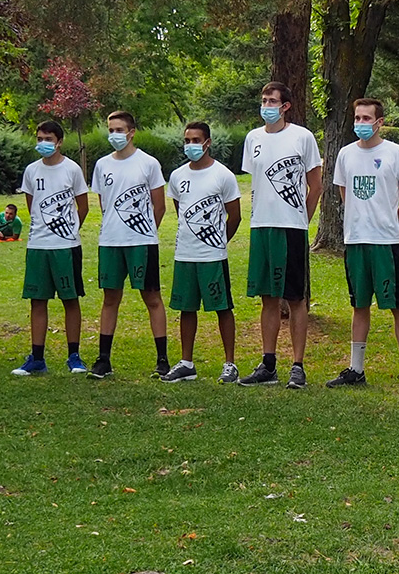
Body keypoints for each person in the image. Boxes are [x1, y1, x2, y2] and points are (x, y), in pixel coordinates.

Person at [326, 99, 399, 388]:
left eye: (367, 118)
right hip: (355, 241)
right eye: (357, 118)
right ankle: (356, 369)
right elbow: (345, 194)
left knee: (397, 304)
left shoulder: (394, 152)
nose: (361, 124)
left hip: (386, 242)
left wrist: (389, 222)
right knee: (360, 304)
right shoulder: (345, 154)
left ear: (379, 122)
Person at [239, 82, 323, 388]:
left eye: (272, 101)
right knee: (268, 298)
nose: (266, 106)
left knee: (295, 298)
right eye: (263, 100)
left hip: (292, 228)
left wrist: (303, 217)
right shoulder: (253, 138)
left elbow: (316, 184)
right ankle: (268, 363)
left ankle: (298, 366)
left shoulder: (302, 137)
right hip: (262, 226)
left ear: (286, 106)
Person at [91, 110, 170, 380]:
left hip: (142, 242)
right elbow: (104, 203)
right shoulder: (102, 165)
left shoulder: (148, 163)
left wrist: (144, 232)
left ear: (132, 132)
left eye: (119, 130)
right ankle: (103, 360)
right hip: (110, 242)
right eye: (111, 130)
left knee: (151, 298)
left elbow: (159, 205)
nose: (114, 135)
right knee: (110, 298)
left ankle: (162, 359)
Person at [165, 121, 241, 382]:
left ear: (208, 143)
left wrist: (219, 242)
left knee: (222, 307)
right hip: (184, 254)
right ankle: (187, 363)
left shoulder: (223, 176)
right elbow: (180, 210)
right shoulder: (177, 176)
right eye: (187, 140)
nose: (191, 145)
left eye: (196, 140)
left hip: (212, 257)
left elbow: (235, 216)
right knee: (186, 308)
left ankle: (230, 363)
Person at [12, 119, 90, 375]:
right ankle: (36, 358)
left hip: (66, 247)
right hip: (37, 246)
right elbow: (32, 204)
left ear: (59, 141)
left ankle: (74, 356)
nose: (43, 144)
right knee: (38, 301)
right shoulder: (32, 171)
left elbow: (83, 206)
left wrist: (68, 232)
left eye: (48, 139)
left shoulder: (72, 169)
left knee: (70, 299)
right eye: (39, 139)